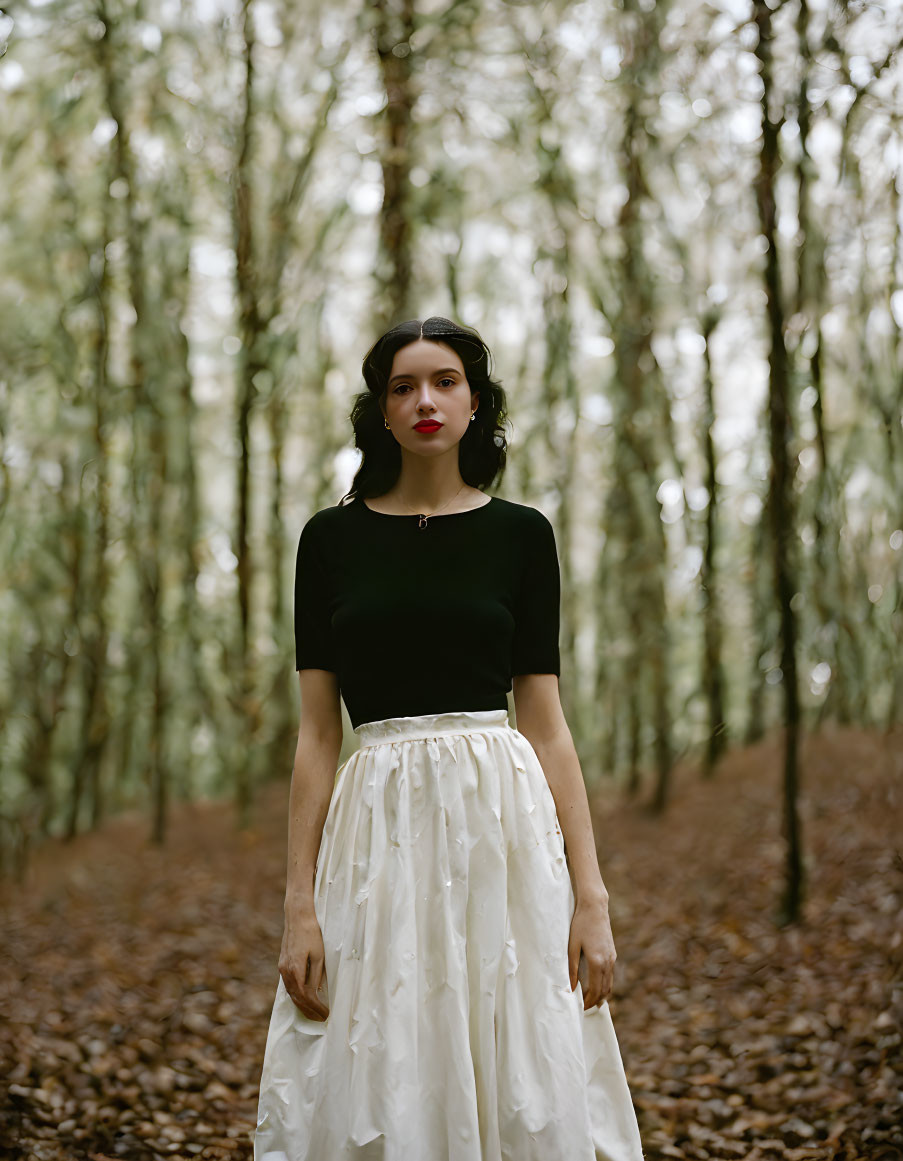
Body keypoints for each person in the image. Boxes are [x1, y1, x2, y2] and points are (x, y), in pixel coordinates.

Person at [254, 316, 645, 1161]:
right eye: (402, 386)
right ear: (382, 412)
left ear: (475, 403)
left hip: (500, 823)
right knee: (378, 1046)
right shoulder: (330, 539)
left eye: (444, 381)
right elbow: (318, 735)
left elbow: (544, 721)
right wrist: (297, 904)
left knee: (517, 1053)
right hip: (375, 831)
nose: (424, 399)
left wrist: (591, 894)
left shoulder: (521, 534)